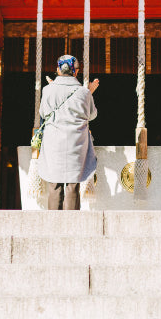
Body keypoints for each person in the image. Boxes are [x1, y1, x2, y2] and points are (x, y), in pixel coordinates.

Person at [37, 54, 99, 210]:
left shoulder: (47, 90)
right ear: (76, 72)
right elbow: (91, 115)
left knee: (54, 184)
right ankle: (71, 227)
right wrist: (89, 92)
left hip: (54, 142)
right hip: (76, 142)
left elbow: (43, 113)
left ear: (58, 70)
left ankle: (53, 226)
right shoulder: (84, 93)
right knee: (72, 185)